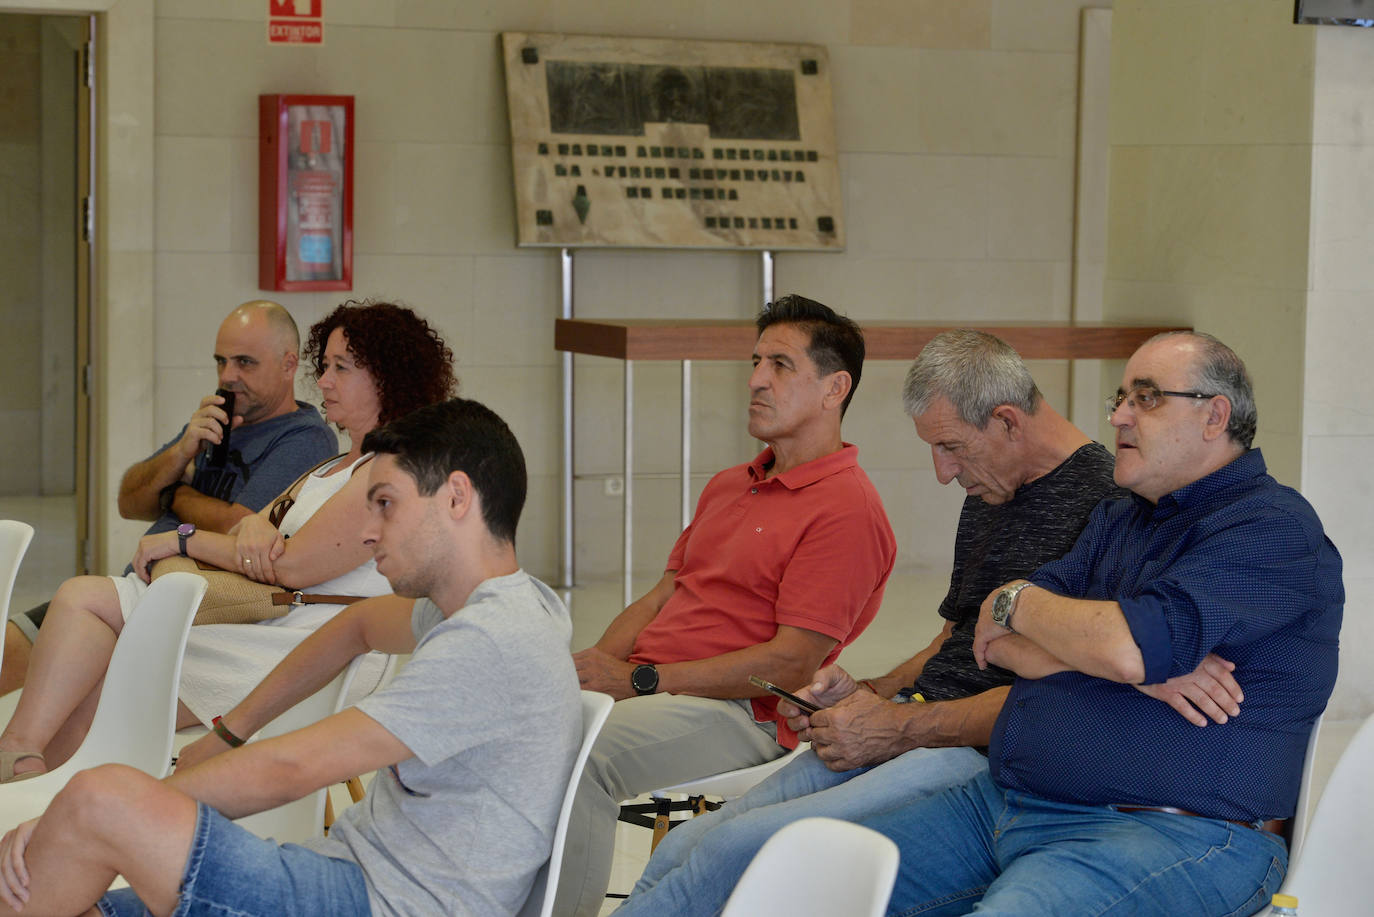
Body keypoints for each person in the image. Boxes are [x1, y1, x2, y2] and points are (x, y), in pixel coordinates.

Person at [0, 397, 582, 917]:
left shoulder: (492, 639)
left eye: (386, 504)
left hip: (374, 901)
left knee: (98, 802)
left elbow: (293, 770)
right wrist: (232, 730)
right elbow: (355, 626)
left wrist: (105, 814)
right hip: (343, 875)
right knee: (69, 883)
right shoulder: (502, 605)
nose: (370, 532)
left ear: (457, 497)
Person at [849, 331, 1342, 916]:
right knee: (805, 888)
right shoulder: (1117, 518)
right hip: (1005, 805)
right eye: (1121, 397)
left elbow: (1129, 645)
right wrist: (1114, 660)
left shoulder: (1273, 529)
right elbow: (996, 643)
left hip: (1173, 833)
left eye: (1148, 398)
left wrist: (1019, 601)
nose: (1120, 417)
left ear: (1215, 416)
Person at [0, 300, 456, 782]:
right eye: (324, 367)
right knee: (87, 641)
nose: (322, 382)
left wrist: (182, 536)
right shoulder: (335, 464)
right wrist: (231, 517)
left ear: (388, 378)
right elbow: (242, 529)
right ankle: (28, 774)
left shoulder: (384, 469)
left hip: (301, 643)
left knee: (91, 630)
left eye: (340, 368)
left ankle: (32, 775)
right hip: (266, 621)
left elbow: (289, 566)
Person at [560, 294, 897, 917]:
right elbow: (664, 595)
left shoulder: (846, 509)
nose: (756, 380)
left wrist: (638, 679)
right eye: (755, 361)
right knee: (517, 732)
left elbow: (792, 664)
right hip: (654, 692)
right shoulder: (729, 483)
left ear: (834, 389)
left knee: (576, 760)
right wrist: (585, 672)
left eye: (780, 365)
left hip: (737, 714)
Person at [1, 300, 338, 694]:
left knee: (35, 666)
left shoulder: (305, 438)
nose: (228, 376)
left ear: (287, 364)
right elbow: (130, 503)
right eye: (221, 361)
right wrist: (180, 454)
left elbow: (241, 526)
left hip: (182, 613)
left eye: (245, 363)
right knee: (10, 647)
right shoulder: (216, 419)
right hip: (135, 589)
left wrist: (175, 493)